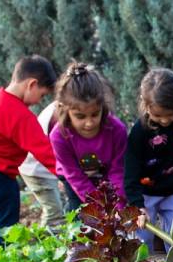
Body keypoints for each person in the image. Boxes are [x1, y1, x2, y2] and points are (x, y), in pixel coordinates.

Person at [0, 55, 59, 245]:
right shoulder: (21, 115)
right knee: (7, 227)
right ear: (32, 84)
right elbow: (44, 151)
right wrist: (65, 174)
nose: (39, 101)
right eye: (41, 95)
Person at [124, 68, 173, 255]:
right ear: (145, 105)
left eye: (170, 114)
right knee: (141, 235)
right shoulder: (140, 131)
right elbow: (131, 169)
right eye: (158, 116)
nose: (165, 120)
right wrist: (137, 205)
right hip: (146, 193)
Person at [50, 62, 128, 212]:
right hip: (73, 177)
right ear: (65, 110)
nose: (89, 123)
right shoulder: (59, 136)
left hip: (106, 172)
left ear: (102, 107)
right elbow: (75, 177)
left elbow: (117, 170)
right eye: (80, 116)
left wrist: (117, 204)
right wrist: (98, 207)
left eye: (95, 114)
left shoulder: (117, 130)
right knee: (81, 212)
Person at [18, 102, 66, 230]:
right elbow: (47, 151)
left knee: (60, 205)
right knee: (54, 212)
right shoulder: (58, 114)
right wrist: (62, 174)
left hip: (46, 168)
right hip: (37, 171)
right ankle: (46, 243)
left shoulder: (61, 107)